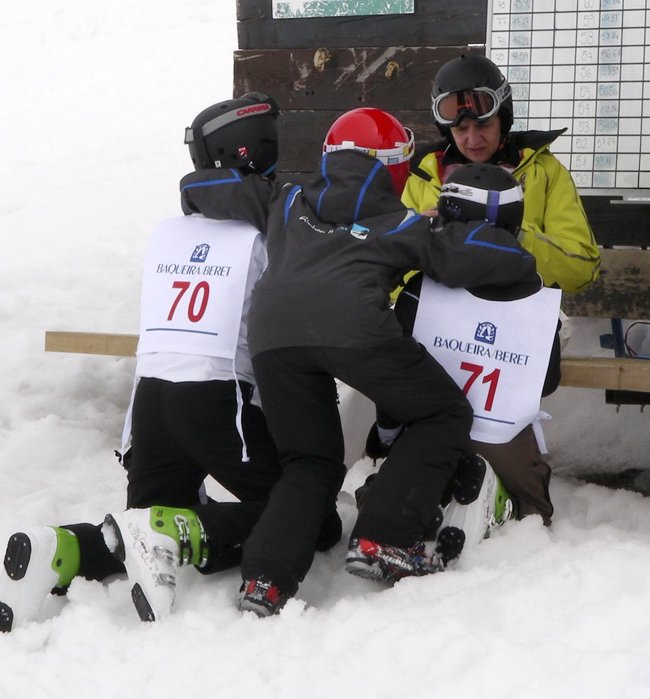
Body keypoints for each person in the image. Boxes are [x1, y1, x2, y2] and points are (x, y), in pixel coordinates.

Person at [179, 106, 540, 616]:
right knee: (441, 413)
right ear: (393, 167)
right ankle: (384, 539)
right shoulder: (400, 223)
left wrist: (190, 191)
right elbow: (490, 258)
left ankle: (265, 579)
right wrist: (508, 249)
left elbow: (205, 186)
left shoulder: (285, 200)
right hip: (354, 329)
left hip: (273, 335)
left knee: (309, 461)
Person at [0, 93, 340, 633]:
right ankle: (178, 533)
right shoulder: (263, 233)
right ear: (257, 149)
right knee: (312, 517)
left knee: (141, 527)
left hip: (151, 403)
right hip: (215, 399)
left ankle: (66, 547)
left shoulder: (167, 232)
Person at [380, 53, 595, 525]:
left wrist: (506, 235)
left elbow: (582, 264)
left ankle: (499, 474)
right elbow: (388, 263)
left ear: (504, 117)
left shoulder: (542, 171)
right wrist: (428, 237)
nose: (473, 139)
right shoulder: (423, 175)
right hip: (441, 320)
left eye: (484, 125)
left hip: (518, 318)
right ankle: (422, 474)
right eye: (460, 131)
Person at [392, 163, 562, 552]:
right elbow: (547, 380)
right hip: (505, 441)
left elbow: (396, 364)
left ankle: (437, 499)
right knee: (534, 513)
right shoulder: (538, 292)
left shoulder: (421, 287)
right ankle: (500, 500)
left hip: (428, 436)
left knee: (386, 494)